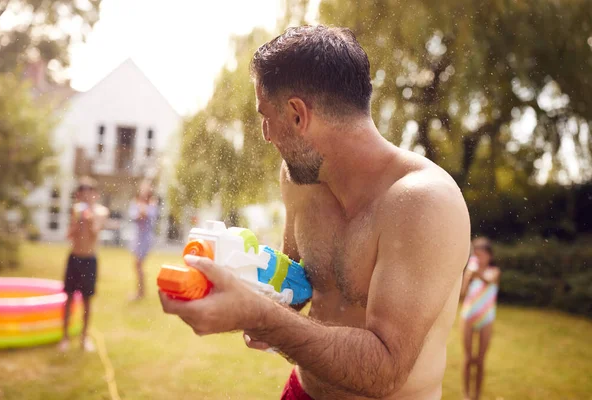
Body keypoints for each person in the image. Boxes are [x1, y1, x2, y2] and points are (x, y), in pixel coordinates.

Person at [159, 25, 471, 400]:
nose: (265, 133)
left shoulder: (424, 203)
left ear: (296, 115)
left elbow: (385, 371)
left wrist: (260, 317)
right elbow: (296, 282)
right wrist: (235, 275)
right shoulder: (299, 181)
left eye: (265, 115)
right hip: (302, 392)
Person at [59, 176, 108, 352]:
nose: (86, 196)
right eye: (82, 193)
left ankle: (84, 338)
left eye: (89, 193)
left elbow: (95, 232)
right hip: (74, 258)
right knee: (69, 298)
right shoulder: (76, 210)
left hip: (89, 260)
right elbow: (69, 235)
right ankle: (64, 337)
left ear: (94, 194)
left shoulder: (101, 212)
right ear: (79, 195)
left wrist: (89, 218)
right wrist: (77, 223)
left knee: (87, 300)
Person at [460, 238, 501, 400]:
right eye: (477, 254)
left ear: (489, 255)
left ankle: (477, 396)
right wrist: (466, 278)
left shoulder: (494, 271)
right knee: (468, 358)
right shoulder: (471, 271)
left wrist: (477, 274)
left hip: (486, 319)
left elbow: (489, 280)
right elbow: (462, 295)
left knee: (480, 360)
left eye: (482, 254)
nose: (479, 257)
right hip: (468, 316)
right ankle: (465, 395)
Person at [128, 180, 159, 300]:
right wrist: (142, 210)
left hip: (145, 239)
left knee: (138, 265)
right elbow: (135, 216)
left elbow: (146, 215)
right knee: (137, 265)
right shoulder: (139, 203)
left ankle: (140, 292)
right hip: (138, 237)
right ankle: (141, 291)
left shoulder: (152, 203)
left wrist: (142, 210)